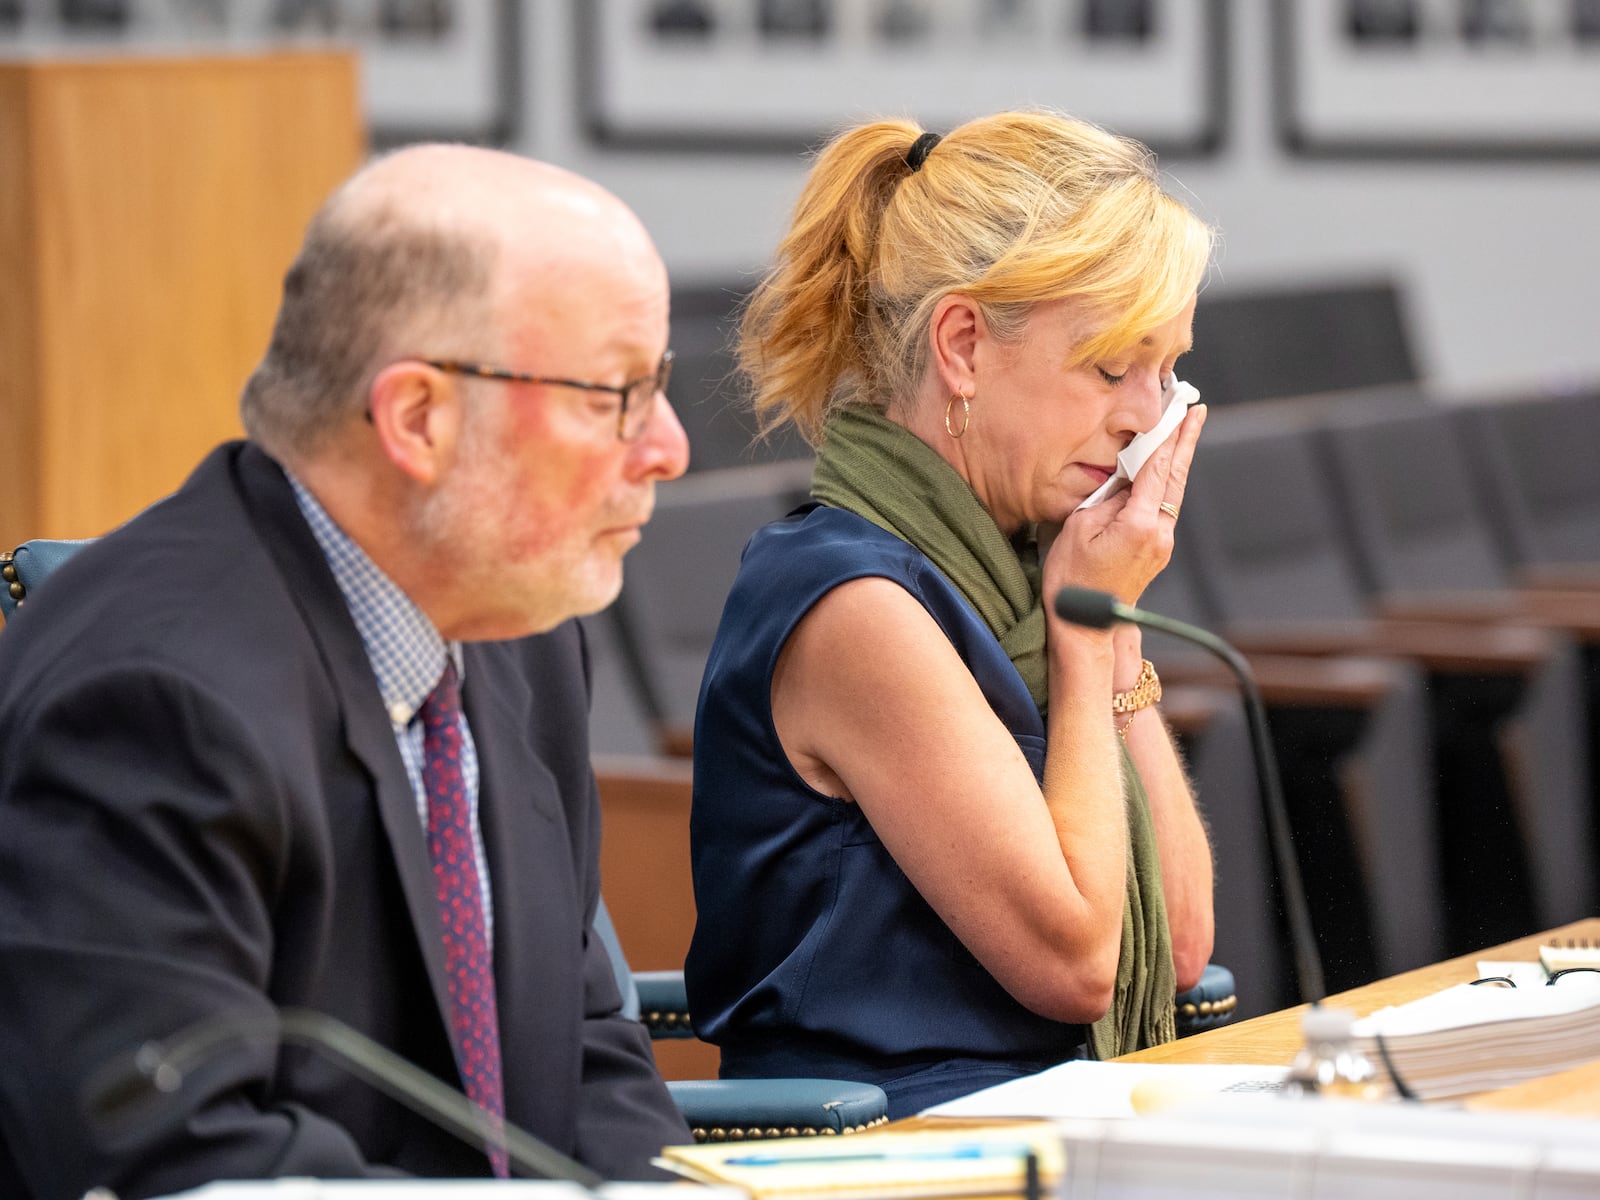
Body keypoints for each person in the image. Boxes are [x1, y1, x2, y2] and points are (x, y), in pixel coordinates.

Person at [0, 144, 693, 1199]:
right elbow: (171, 1160)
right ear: (417, 418)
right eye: (618, 395)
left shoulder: (522, 636)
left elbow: (584, 1041)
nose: (671, 449)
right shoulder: (152, 696)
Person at [686, 111, 1217, 1116]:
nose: (1147, 416)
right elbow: (1072, 966)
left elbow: (1181, 944)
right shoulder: (853, 604)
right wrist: (1085, 632)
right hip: (889, 1154)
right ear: (963, 345)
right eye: (1111, 365)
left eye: (1167, 368)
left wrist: (1111, 633)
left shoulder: (1032, 568)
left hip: (1050, 1124)